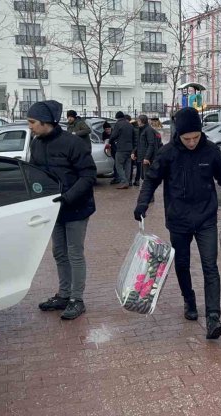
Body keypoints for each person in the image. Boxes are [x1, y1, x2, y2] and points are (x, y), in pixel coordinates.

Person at [134, 107, 221, 340]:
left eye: (196, 137)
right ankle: (189, 301)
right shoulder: (168, 153)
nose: (192, 142)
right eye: (187, 138)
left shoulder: (211, 152)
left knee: (210, 266)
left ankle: (213, 317)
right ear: (178, 135)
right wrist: (143, 204)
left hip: (205, 219)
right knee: (181, 265)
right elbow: (151, 180)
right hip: (178, 220)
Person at [27, 100, 97, 320]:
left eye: (32, 122)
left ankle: (78, 299)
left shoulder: (73, 143)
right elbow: (36, 174)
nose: (30, 126)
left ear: (46, 122)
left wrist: (67, 198)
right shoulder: (36, 143)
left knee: (74, 252)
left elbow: (88, 175)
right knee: (59, 252)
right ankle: (64, 295)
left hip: (76, 207)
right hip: (53, 209)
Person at [110, 111, 136, 189]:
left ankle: (124, 181)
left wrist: (110, 142)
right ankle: (127, 182)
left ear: (117, 118)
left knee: (118, 165)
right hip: (130, 149)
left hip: (121, 148)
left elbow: (114, 135)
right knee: (128, 166)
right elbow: (134, 137)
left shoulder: (118, 124)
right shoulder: (130, 125)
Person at [132, 115, 156, 187]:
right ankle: (148, 197)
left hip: (146, 159)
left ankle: (149, 197)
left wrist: (147, 157)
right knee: (143, 177)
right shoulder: (141, 129)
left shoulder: (148, 130)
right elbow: (139, 144)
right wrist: (134, 152)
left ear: (142, 121)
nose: (137, 122)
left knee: (147, 179)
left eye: (138, 120)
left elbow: (151, 144)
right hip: (142, 158)